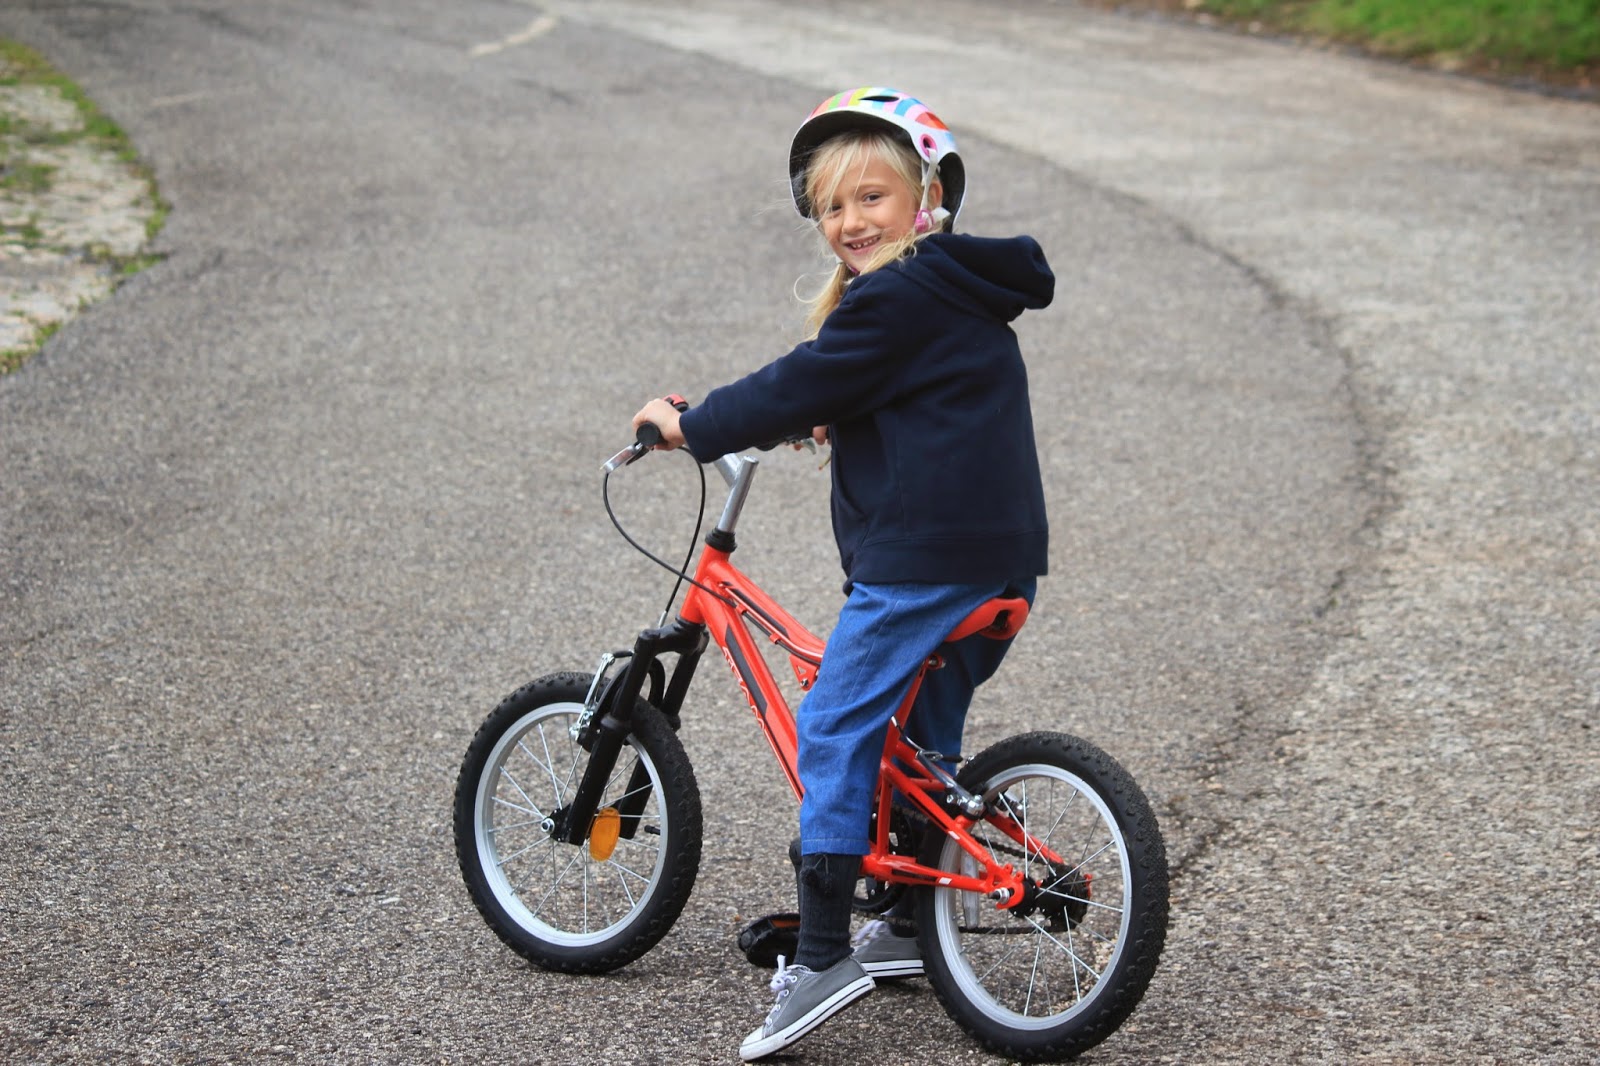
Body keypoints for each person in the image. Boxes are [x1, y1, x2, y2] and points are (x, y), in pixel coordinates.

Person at [630, 86, 1054, 1061]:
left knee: (832, 726)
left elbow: (802, 378)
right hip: (997, 562)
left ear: (926, 198)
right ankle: (907, 922)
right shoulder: (953, 290)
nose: (850, 220)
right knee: (920, 737)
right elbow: (902, 387)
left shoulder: (896, 296)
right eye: (831, 206)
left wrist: (692, 425)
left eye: (872, 197)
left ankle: (820, 958)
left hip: (920, 567)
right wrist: (836, 417)